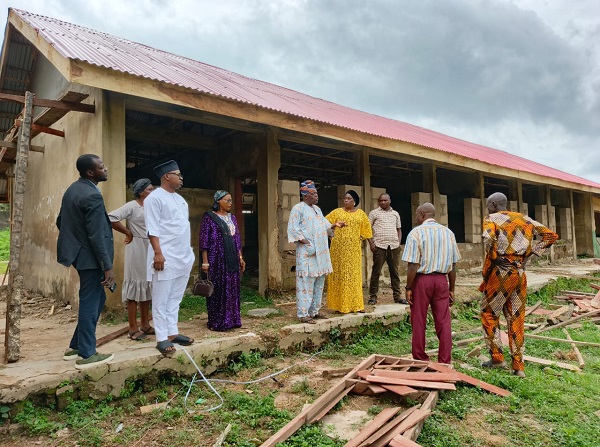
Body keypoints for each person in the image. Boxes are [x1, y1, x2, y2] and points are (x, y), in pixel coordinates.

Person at [479, 192, 558, 377]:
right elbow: (551, 236)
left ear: (493, 204)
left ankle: (497, 358)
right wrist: (530, 253)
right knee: (516, 317)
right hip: (520, 273)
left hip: (501, 273)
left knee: (489, 313)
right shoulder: (525, 219)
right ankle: (518, 366)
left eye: (488, 204)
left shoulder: (491, 219)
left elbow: (489, 237)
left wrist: (494, 257)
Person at [56, 154, 115, 369]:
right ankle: (88, 354)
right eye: (102, 167)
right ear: (91, 172)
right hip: (90, 257)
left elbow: (60, 221)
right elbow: (98, 235)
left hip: (79, 254)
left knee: (97, 298)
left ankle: (76, 346)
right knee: (91, 300)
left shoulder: (73, 189)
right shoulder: (92, 195)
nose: (106, 168)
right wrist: (108, 267)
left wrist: (75, 242)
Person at [144, 160, 195, 356]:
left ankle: (172, 332)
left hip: (182, 257)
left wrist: (188, 254)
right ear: (167, 176)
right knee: (161, 298)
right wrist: (158, 253)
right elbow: (152, 228)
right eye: (178, 174)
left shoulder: (181, 200)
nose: (181, 178)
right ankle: (162, 337)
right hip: (164, 257)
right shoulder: (154, 198)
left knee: (175, 298)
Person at [402, 203, 461, 365]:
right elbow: (453, 265)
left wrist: (408, 287)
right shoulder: (448, 233)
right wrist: (452, 289)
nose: (415, 217)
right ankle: (444, 360)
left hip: (422, 281)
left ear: (422, 214)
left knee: (419, 318)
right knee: (443, 321)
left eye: (416, 214)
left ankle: (421, 358)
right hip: (442, 280)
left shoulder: (415, 233)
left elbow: (413, 265)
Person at [287, 180, 344, 323]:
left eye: (317, 193)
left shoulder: (317, 209)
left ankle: (314, 311)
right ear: (305, 195)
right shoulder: (298, 208)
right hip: (308, 253)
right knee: (306, 283)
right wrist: (306, 242)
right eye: (313, 194)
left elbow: (325, 226)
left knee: (319, 282)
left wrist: (334, 225)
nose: (317, 196)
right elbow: (293, 229)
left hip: (321, 254)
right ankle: (303, 314)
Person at [108, 178, 154, 341]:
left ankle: (145, 324)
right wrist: (128, 232)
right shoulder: (132, 206)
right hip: (136, 248)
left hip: (150, 248)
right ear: (141, 192)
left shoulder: (152, 207)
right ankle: (132, 328)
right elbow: (111, 217)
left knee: (147, 285)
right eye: (149, 189)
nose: (152, 192)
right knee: (134, 286)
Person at [199, 190, 246, 331]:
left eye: (231, 200)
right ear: (218, 201)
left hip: (232, 258)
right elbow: (204, 241)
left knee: (232, 287)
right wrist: (205, 261)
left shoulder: (232, 218)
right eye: (227, 200)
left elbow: (236, 239)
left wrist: (241, 258)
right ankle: (217, 321)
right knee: (219, 288)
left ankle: (232, 319)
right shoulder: (209, 218)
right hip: (217, 258)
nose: (230, 203)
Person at [325, 190, 373, 314]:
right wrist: (331, 232)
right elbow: (324, 223)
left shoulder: (361, 214)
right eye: (344, 198)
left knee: (354, 276)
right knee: (340, 275)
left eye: (349, 198)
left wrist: (371, 244)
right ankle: (340, 305)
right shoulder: (337, 212)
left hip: (353, 250)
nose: (346, 200)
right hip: (338, 250)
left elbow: (367, 230)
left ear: (354, 201)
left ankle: (357, 305)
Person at [368, 193, 406, 305]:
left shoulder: (395, 214)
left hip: (394, 246)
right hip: (379, 246)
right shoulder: (374, 213)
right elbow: (367, 229)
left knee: (394, 272)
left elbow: (399, 229)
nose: (382, 202)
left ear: (390, 201)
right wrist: (371, 243)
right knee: (376, 271)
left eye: (385, 200)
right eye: (380, 201)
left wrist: (398, 242)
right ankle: (373, 296)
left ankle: (397, 296)